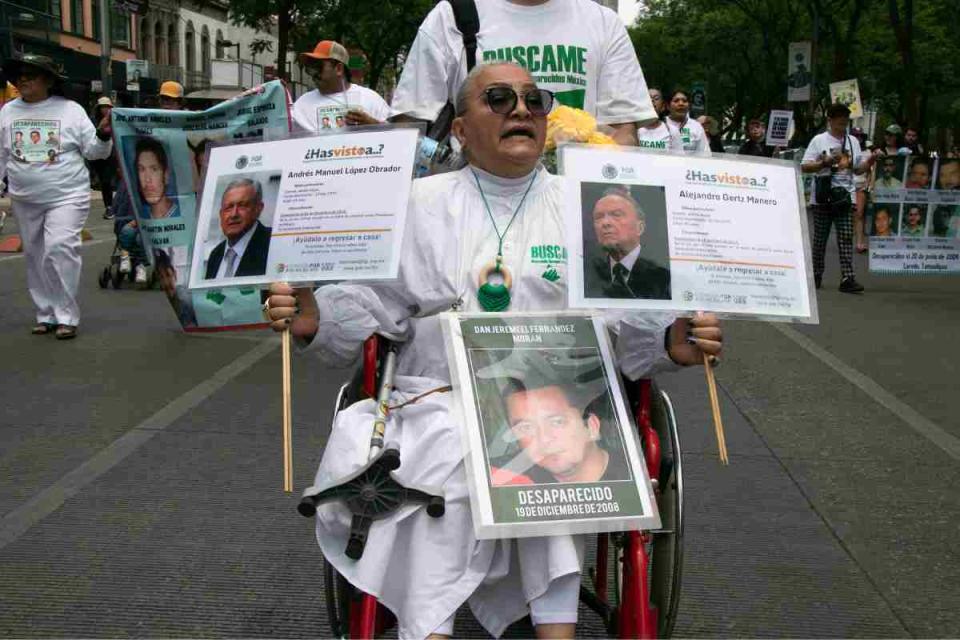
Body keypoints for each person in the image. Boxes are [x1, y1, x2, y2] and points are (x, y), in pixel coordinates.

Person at [264, 62, 722, 640]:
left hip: (554, 397)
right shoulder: (414, 203)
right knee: (457, 443)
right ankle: (431, 628)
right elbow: (366, 301)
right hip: (436, 397)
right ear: (459, 129)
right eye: (499, 99)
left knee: (552, 447)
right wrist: (315, 317)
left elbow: (622, 320)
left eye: (535, 98)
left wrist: (670, 341)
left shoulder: (586, 207)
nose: (522, 110)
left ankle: (555, 630)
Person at [390, 0, 659, 146]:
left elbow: (622, 131)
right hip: (477, 204)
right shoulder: (450, 17)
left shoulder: (602, 22)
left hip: (572, 208)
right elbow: (410, 127)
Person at [0, 53, 112, 339]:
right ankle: (45, 313)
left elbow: (95, 152)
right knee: (36, 256)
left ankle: (66, 315)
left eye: (31, 74)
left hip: (66, 196)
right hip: (24, 198)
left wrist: (103, 135)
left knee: (60, 247)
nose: (23, 79)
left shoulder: (70, 111)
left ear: (48, 80)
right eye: (20, 74)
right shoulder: (7, 112)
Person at [491, 364, 629, 485]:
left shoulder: (636, 475)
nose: (544, 438)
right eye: (526, 428)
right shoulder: (502, 477)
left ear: (592, 427)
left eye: (556, 422)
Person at [801, 102, 876, 293]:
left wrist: (871, 161)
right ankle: (816, 275)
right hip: (823, 196)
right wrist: (823, 163)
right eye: (839, 123)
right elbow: (804, 166)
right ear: (830, 121)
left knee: (845, 238)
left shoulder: (853, 141)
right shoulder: (819, 140)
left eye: (845, 123)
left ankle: (847, 277)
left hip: (845, 196)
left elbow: (858, 169)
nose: (842, 127)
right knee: (820, 239)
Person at [584, 187, 670, 300]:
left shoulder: (665, 276)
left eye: (616, 214)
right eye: (599, 217)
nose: (605, 223)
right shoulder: (585, 276)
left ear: (640, 228)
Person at [292, 40, 392, 131]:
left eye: (318, 67)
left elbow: (393, 134)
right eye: (310, 68)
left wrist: (371, 124)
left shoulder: (370, 99)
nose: (313, 74)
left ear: (339, 69)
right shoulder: (301, 105)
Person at [204, 178, 271, 279]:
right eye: (228, 207)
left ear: (258, 208)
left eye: (242, 206)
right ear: (221, 214)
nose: (234, 214)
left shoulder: (273, 243)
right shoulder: (215, 255)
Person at [134, 137, 179, 219]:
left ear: (166, 175)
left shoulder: (184, 214)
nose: (147, 179)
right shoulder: (139, 216)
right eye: (141, 169)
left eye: (154, 169)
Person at [90, 96, 117, 220]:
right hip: (97, 156)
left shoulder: (115, 119)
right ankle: (109, 206)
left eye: (108, 107)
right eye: (103, 107)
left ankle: (112, 206)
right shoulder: (93, 121)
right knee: (104, 181)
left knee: (110, 181)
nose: (106, 109)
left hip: (112, 155)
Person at [664, 89, 708, 154]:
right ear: (668, 106)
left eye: (684, 101)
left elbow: (704, 154)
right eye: (676, 101)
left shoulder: (696, 126)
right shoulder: (662, 124)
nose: (681, 104)